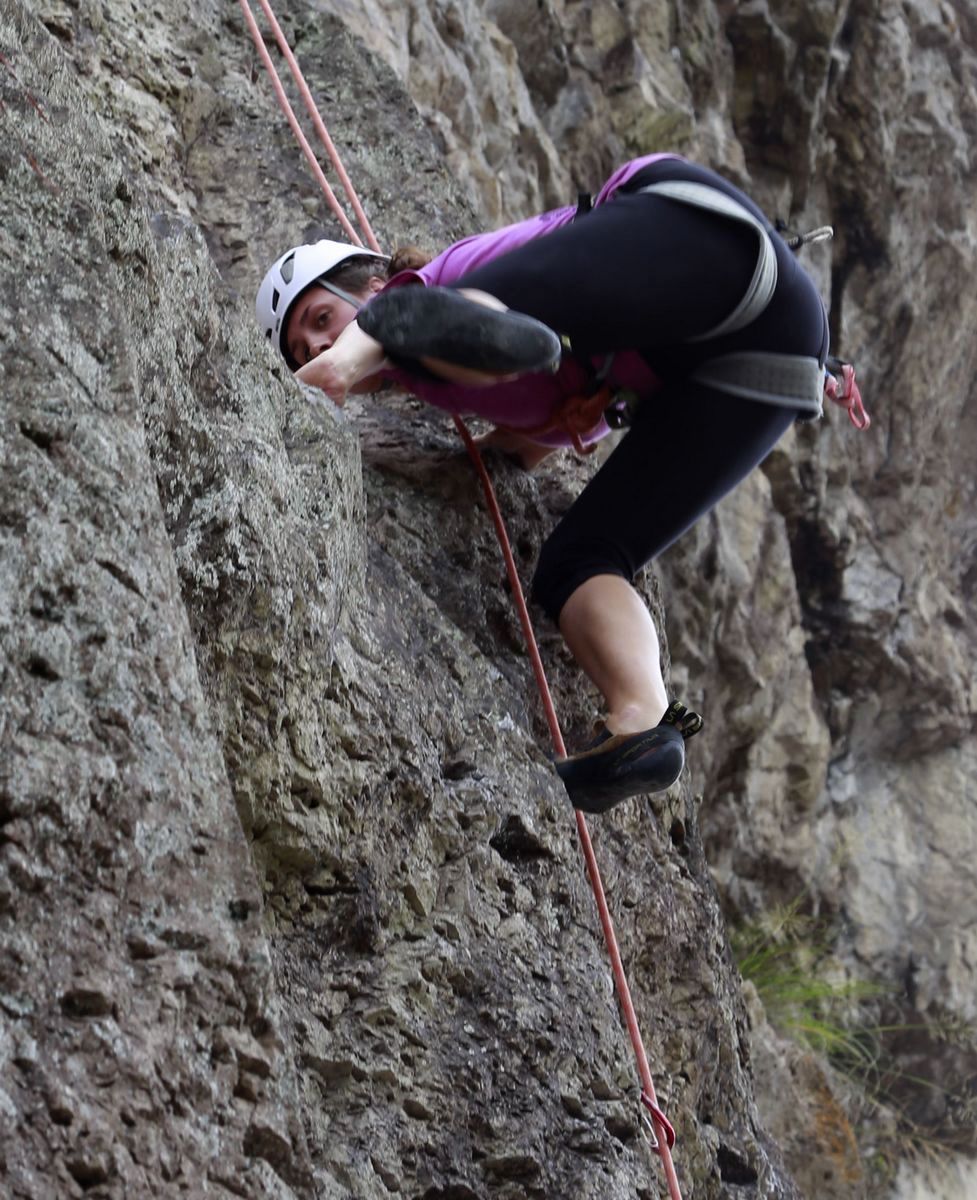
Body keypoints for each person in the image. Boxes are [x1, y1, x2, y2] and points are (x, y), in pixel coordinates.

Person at [256, 152, 830, 813]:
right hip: (770, 358)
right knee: (580, 561)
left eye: (322, 322)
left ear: (368, 279)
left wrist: (329, 370)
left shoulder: (440, 276)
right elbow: (523, 452)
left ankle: (405, 327)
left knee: (414, 315)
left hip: (697, 232)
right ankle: (642, 717)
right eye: (307, 351)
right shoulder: (459, 382)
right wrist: (571, 413)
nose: (317, 343)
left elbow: (408, 309)